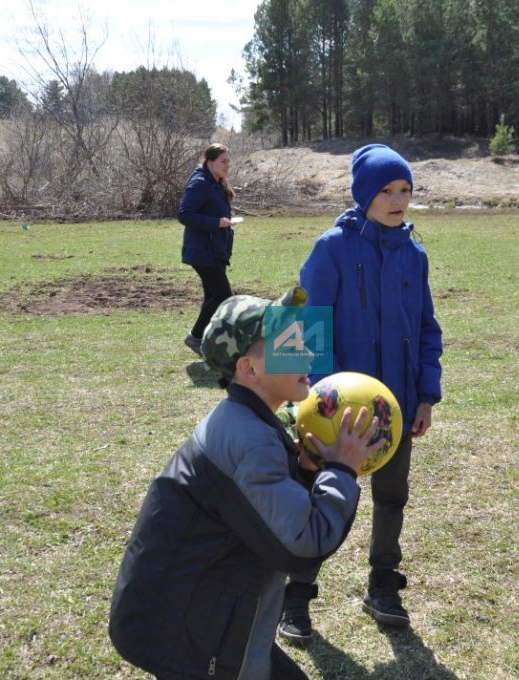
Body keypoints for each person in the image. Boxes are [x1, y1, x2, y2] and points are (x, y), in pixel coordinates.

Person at [109, 288, 385, 679]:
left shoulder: (246, 421)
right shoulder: (249, 442)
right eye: (288, 345)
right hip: (186, 633)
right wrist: (341, 470)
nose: (306, 354)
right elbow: (303, 546)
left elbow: (262, 515)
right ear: (249, 370)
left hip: (200, 612)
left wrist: (305, 471)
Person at [279, 144, 443, 641]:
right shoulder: (332, 247)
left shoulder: (415, 256)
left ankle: (382, 586)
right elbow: (299, 321)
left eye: (405, 190)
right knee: (320, 497)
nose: (397, 200)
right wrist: (313, 397)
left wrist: (425, 396)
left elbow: (428, 329)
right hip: (335, 412)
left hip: (393, 408)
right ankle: (296, 598)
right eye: (386, 191)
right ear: (363, 195)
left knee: (392, 497)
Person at [179, 143, 236, 356]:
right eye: (223, 161)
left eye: (228, 160)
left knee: (211, 296)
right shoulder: (200, 183)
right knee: (223, 295)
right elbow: (184, 214)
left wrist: (224, 223)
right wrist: (216, 223)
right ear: (210, 162)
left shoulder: (215, 183)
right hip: (202, 251)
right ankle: (195, 337)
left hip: (216, 249)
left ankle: (206, 341)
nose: (227, 165)